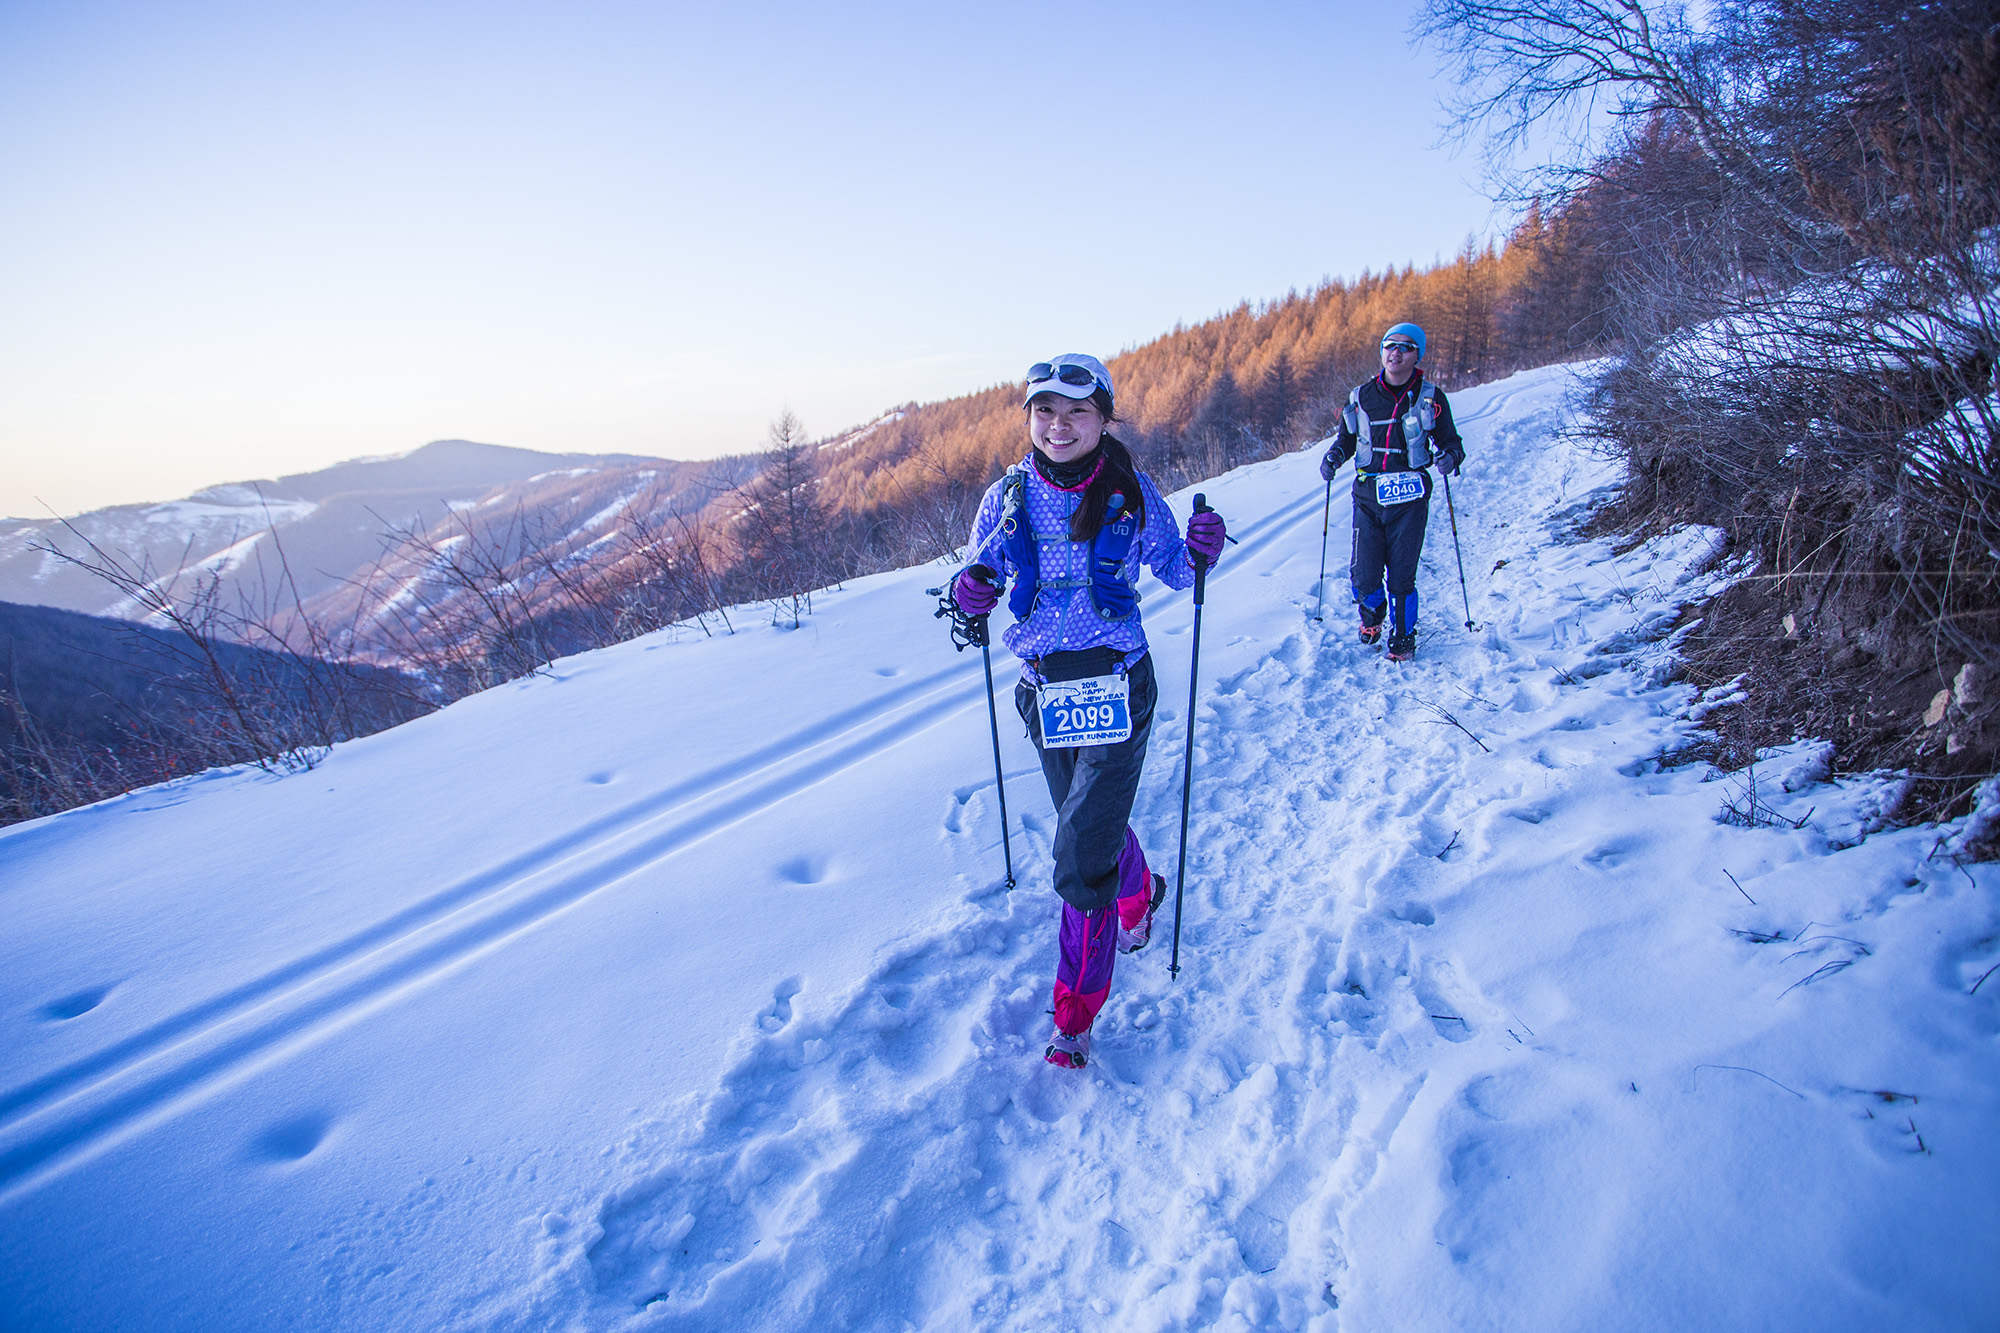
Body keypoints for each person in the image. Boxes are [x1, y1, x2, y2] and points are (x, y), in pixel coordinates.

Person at [950, 353, 1226, 1069]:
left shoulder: (1131, 492)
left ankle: (1074, 1016)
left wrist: (1201, 547)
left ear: (1104, 417)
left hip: (1119, 687)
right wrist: (971, 591)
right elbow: (978, 568)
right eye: (1045, 410)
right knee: (1090, 824)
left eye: (1076, 411)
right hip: (1046, 692)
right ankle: (1141, 893)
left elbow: (1175, 564)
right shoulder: (1007, 496)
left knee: (1079, 855)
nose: (1059, 425)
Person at [1319, 323, 1465, 661]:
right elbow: (1347, 440)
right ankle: (1373, 613)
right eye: (1389, 345)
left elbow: (1451, 442)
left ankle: (1402, 638)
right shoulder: (1361, 397)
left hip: (1410, 498)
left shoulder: (1430, 397)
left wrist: (1449, 458)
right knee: (1363, 576)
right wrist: (1333, 458)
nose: (1395, 352)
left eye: (1406, 346)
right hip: (1369, 495)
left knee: (1402, 574)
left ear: (1418, 355)